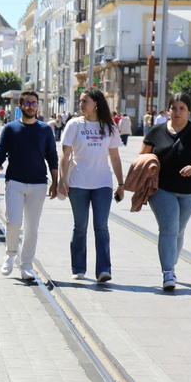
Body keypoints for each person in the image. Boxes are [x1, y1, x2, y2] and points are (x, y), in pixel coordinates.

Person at [139, 92, 191, 292]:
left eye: (182, 109)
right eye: (174, 108)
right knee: (169, 227)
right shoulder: (155, 132)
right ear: (168, 110)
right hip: (161, 188)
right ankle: (168, 272)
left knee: (179, 229)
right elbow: (141, 156)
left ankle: (172, 262)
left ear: (188, 111)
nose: (177, 112)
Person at [0, 89, 58, 282]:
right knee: (13, 223)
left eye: (34, 103)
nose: (30, 106)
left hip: (38, 184)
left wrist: (56, 182)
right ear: (20, 106)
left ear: (38, 105)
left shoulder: (45, 130)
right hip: (15, 182)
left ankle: (26, 264)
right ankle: (10, 254)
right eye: (27, 103)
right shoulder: (10, 129)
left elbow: (52, 156)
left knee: (31, 227)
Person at [58, 88, 124, 284]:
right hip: (78, 183)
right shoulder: (74, 124)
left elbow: (115, 157)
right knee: (80, 227)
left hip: (102, 183)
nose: (81, 104)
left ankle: (104, 269)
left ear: (96, 103)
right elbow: (65, 155)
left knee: (101, 227)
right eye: (80, 101)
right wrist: (63, 180)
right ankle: (78, 268)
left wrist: (121, 184)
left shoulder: (109, 127)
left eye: (84, 101)